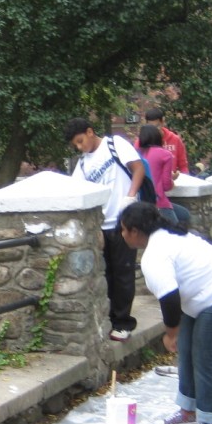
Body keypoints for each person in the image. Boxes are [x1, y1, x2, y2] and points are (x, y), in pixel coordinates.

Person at [118, 202, 212, 424]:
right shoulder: (168, 236)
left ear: (135, 231)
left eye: (123, 229)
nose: (122, 234)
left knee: (206, 358)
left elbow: (169, 299)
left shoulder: (155, 255)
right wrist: (178, 334)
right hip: (204, 298)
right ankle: (188, 409)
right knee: (188, 351)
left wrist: (171, 333)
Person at [65, 117, 146, 342]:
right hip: (100, 226)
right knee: (106, 273)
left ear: (90, 132)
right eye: (76, 145)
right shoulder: (82, 164)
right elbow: (76, 191)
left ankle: (123, 322)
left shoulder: (115, 145)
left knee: (123, 273)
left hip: (123, 222)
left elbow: (137, 169)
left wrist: (130, 197)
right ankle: (109, 318)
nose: (80, 147)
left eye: (81, 141)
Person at [137, 124, 177, 222]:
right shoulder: (165, 154)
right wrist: (173, 180)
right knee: (183, 219)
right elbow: (166, 185)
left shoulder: (136, 154)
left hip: (139, 203)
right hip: (158, 202)